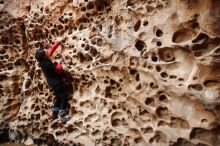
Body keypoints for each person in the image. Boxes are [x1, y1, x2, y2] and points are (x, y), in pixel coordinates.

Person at [35, 41, 69, 125]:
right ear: (44, 55)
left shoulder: (43, 61)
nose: (47, 51)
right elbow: (59, 69)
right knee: (64, 98)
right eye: (45, 51)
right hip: (57, 83)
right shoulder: (48, 64)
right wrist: (60, 62)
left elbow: (51, 50)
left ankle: (53, 114)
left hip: (52, 83)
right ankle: (62, 118)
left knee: (58, 98)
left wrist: (58, 43)